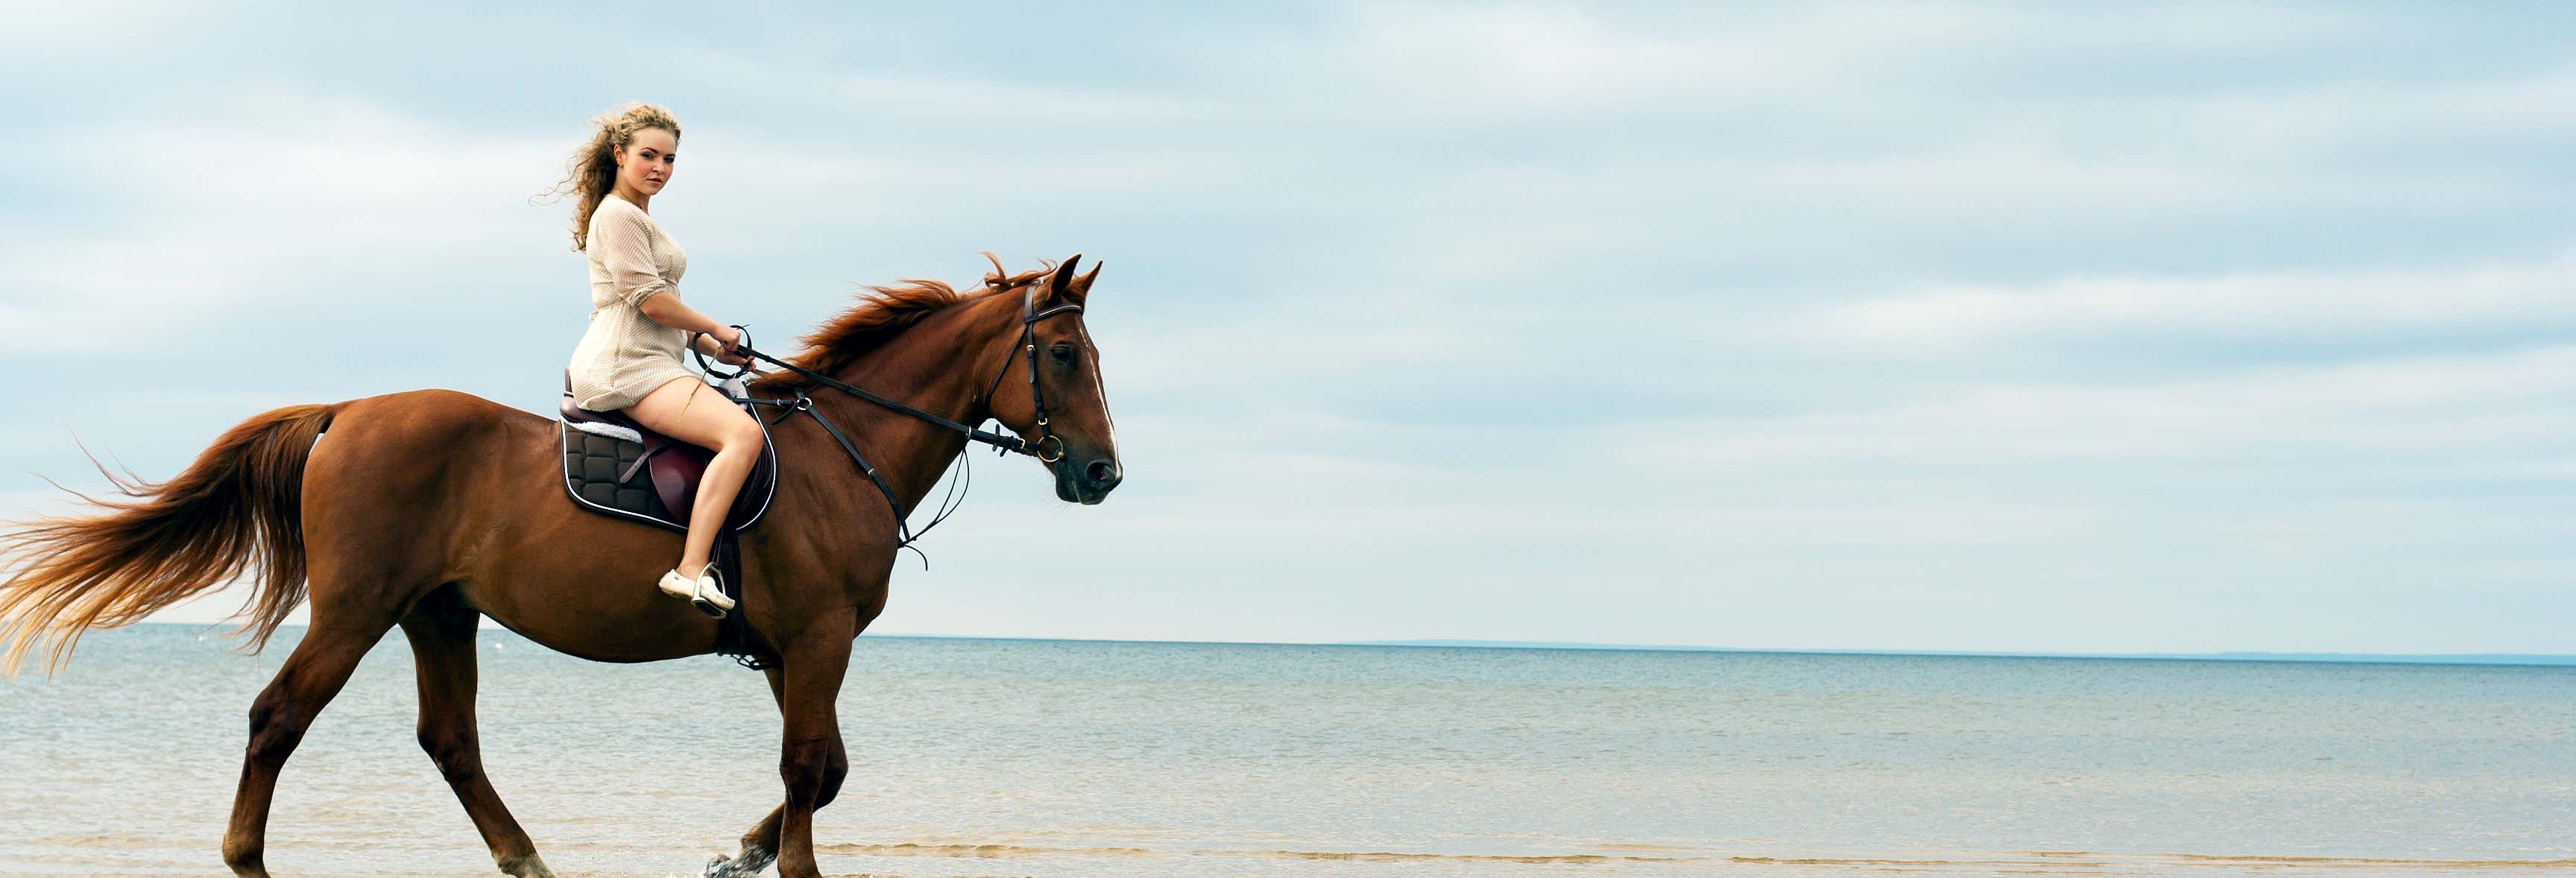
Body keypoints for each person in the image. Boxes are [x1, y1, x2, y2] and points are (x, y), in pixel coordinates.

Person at [557, 102, 761, 617]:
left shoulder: (639, 217)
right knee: (743, 435)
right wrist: (714, 326)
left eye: (669, 160)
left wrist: (714, 348)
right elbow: (649, 301)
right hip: (628, 365)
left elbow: (659, 311)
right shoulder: (618, 215)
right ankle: (690, 569)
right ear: (620, 154)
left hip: (655, 356)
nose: (660, 169)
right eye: (648, 156)